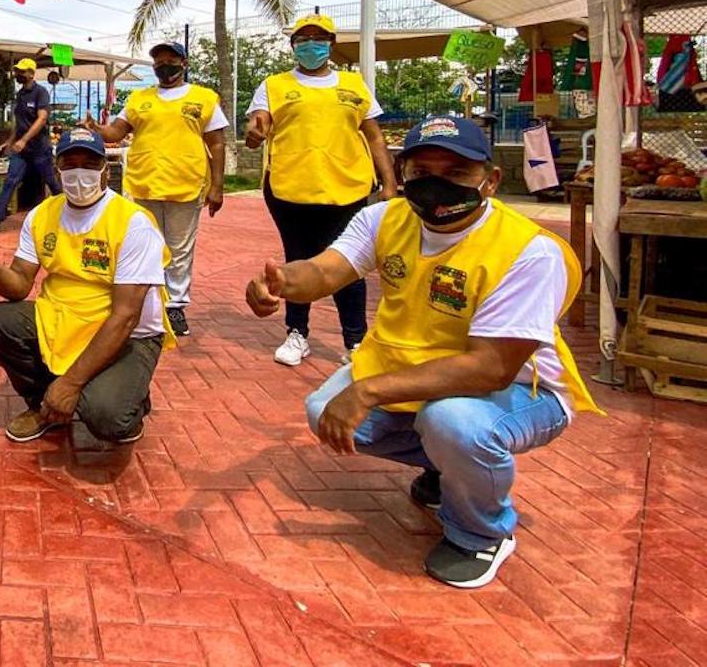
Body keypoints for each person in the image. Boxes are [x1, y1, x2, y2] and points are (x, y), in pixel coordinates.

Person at [246, 116, 602, 589]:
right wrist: (281, 283)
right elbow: (325, 272)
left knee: (453, 424)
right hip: (423, 372)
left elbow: (491, 369)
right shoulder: (384, 218)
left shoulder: (528, 252)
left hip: (525, 392)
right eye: (422, 172)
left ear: (490, 180)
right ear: (403, 171)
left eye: (455, 174)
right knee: (322, 411)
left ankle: (481, 533)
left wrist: (367, 391)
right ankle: (448, 468)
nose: (436, 186)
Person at [0, 128, 176, 445]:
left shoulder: (133, 222)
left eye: (90, 164)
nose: (80, 172)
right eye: (70, 163)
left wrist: (70, 384)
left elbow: (125, 317)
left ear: (106, 168)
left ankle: (130, 401)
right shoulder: (42, 215)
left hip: (126, 334)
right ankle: (43, 405)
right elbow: (19, 286)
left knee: (106, 417)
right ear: (57, 169)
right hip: (63, 319)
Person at [245, 14, 397, 366]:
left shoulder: (354, 84)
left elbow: (374, 135)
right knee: (298, 258)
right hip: (289, 187)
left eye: (318, 37)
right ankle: (297, 334)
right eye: (303, 38)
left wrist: (389, 183)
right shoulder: (274, 84)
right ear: (293, 45)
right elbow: (259, 122)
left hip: (348, 187)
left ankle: (355, 341)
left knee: (348, 261)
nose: (310, 43)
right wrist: (255, 131)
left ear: (330, 42)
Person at [86, 41, 227, 337]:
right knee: (141, 247)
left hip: (185, 186)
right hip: (142, 184)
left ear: (183, 63)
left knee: (178, 250)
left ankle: (174, 307)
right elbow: (117, 132)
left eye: (170, 60)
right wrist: (99, 130)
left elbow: (216, 143)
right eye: (158, 61)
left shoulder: (204, 98)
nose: (164, 65)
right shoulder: (139, 98)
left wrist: (217, 185)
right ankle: (142, 304)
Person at [0, 58, 59, 235]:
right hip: (22, 152)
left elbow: (41, 119)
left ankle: (67, 211)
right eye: (17, 71)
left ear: (31, 74)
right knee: (11, 180)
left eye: (22, 71)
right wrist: (11, 141)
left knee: (51, 182)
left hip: (40, 150)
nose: (18, 74)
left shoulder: (40, 93)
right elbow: (19, 123)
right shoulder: (20, 95)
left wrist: (24, 140)